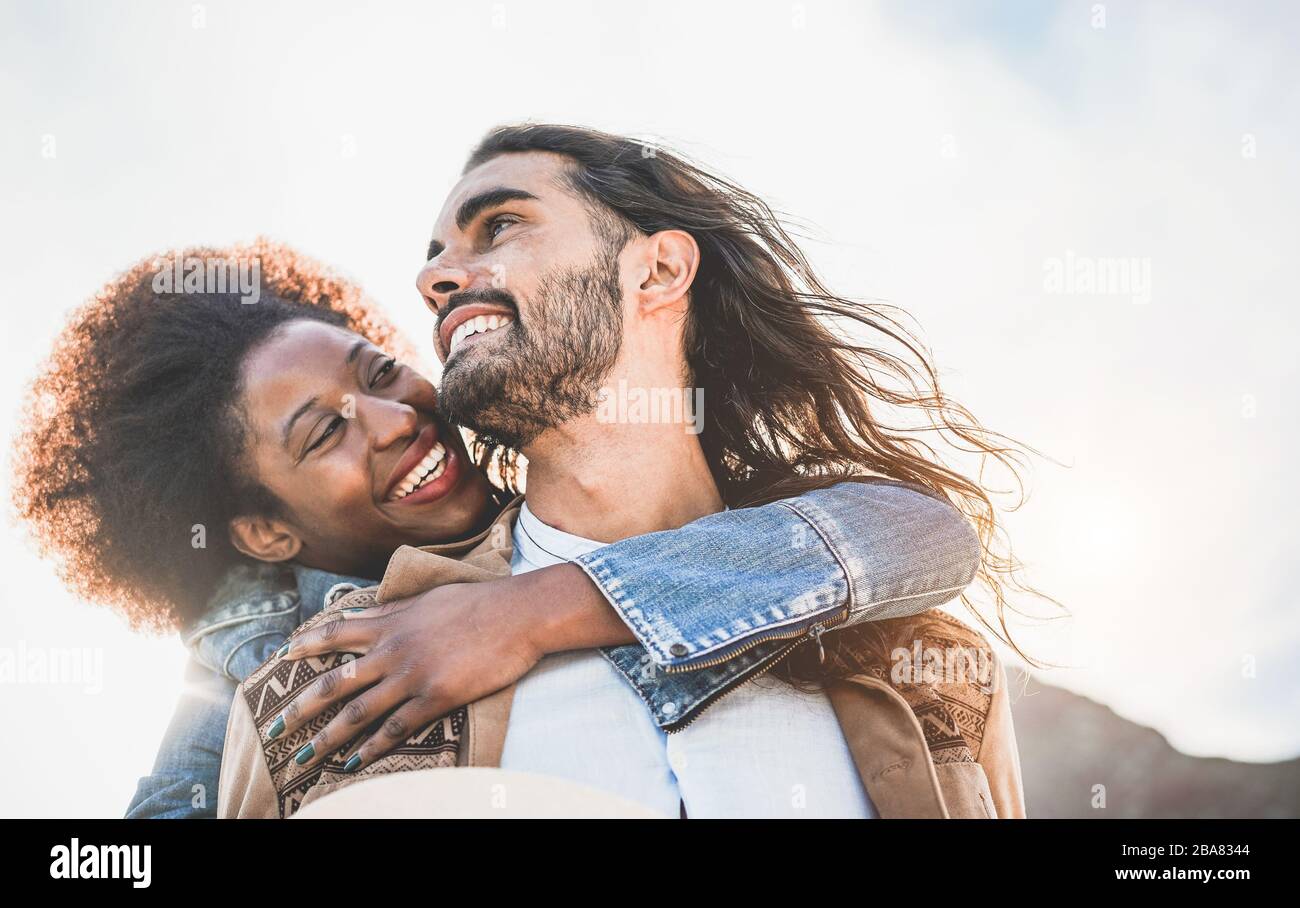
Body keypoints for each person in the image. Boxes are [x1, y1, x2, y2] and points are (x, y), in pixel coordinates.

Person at [222, 125, 1039, 817]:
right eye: (436, 261)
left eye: (500, 226)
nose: (432, 278)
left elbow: (924, 533)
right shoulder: (339, 681)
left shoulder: (928, 666)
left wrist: (530, 613)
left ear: (658, 271)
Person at [11, 241, 985, 819]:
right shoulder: (259, 657)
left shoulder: (574, 482)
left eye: (378, 371)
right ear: (264, 530)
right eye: (324, 432)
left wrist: (523, 613)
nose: (393, 417)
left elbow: (913, 531)